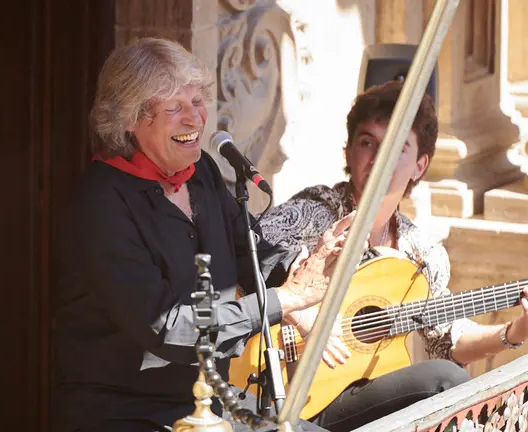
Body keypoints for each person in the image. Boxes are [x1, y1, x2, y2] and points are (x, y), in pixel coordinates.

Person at [52, 37, 347, 432]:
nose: (195, 119)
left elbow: (248, 250)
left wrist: (307, 264)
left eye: (196, 101)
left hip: (209, 397)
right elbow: (169, 329)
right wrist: (287, 299)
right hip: (126, 411)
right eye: (174, 108)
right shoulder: (101, 204)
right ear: (130, 119)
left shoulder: (201, 171)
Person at [258, 80, 528, 431]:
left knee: (446, 381)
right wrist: (299, 312)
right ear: (349, 151)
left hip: (344, 401)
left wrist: (515, 331)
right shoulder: (314, 214)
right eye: (367, 142)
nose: (378, 158)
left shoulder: (420, 253)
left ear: (419, 165)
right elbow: (243, 257)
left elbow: (449, 339)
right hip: (273, 385)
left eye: (396, 147)